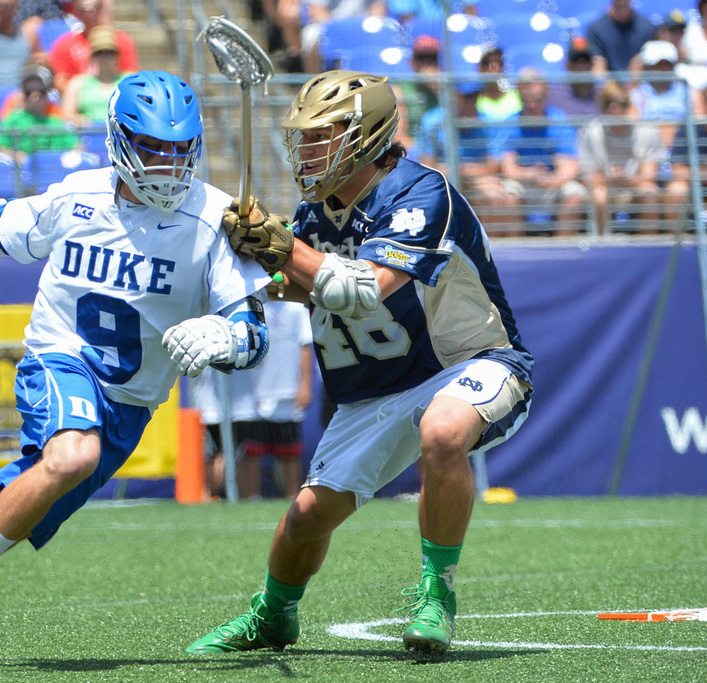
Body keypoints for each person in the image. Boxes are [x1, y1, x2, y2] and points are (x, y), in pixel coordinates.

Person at [0, 69, 273, 670]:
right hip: (60, 356)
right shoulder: (78, 195)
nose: (167, 166)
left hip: (129, 405)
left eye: (179, 152)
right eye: (151, 148)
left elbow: (254, 333)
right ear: (118, 139)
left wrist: (226, 334)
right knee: (73, 456)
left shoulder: (213, 219)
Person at [185, 70, 533, 658]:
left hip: (470, 362)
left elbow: (368, 286)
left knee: (444, 432)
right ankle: (272, 615)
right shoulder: (316, 213)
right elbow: (293, 285)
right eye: (306, 137)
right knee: (304, 519)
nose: (308, 150)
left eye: (322, 136)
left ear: (365, 135)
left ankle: (436, 594)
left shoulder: (423, 192)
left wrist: (282, 245)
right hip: (374, 392)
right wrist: (242, 276)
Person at [194, 297, 314, 500]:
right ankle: (244, 495)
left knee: (288, 449)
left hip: (275, 393)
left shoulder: (294, 308)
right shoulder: (242, 307)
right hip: (240, 396)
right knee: (245, 451)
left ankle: (293, 494)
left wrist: (305, 384)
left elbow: (304, 346)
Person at [416, 79, 517, 235]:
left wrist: (457, 171)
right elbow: (427, 166)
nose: (472, 101)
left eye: (476, 95)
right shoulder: (432, 121)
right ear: (452, 96)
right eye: (467, 96)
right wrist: (460, 173)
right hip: (444, 183)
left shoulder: (488, 122)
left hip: (478, 181)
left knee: (496, 196)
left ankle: (492, 252)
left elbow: (494, 166)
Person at [500, 69, 588, 236]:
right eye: (526, 99)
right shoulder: (510, 123)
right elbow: (508, 169)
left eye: (537, 99)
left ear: (545, 96)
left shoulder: (558, 120)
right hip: (524, 184)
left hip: (553, 183)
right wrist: (531, 175)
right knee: (508, 195)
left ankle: (563, 253)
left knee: (575, 195)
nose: (532, 105)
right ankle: (515, 252)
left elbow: (569, 168)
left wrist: (550, 180)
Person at [578, 80, 665, 234]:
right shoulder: (591, 132)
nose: (614, 108)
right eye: (608, 103)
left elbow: (649, 175)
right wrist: (611, 179)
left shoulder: (646, 131)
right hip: (604, 187)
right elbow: (589, 177)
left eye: (620, 103)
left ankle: (649, 246)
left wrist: (626, 180)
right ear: (601, 107)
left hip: (635, 186)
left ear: (628, 105)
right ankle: (601, 246)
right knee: (599, 195)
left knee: (650, 193)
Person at [47, 0, 138, 94]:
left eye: (96, 7)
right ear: (76, 11)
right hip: (80, 99)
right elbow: (60, 81)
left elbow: (131, 76)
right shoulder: (65, 44)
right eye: (85, 9)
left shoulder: (121, 41)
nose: (91, 13)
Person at [629, 40, 706, 149]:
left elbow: (699, 121)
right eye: (657, 65)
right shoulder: (638, 93)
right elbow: (633, 125)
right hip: (651, 150)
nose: (663, 69)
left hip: (684, 148)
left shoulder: (689, 91)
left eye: (667, 65)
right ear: (647, 67)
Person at [0, 63, 78, 159]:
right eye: (29, 90)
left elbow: (76, 148)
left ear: (47, 92)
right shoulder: (13, 120)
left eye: (40, 90)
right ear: (23, 93)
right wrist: (17, 156)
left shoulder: (55, 123)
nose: (35, 95)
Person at [59, 25, 128, 128]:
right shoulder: (78, 83)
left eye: (109, 52)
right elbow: (67, 114)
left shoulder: (128, 81)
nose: (105, 57)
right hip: (89, 136)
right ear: (92, 56)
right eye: (99, 53)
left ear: (117, 55)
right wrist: (82, 121)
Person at [584, 0, 656, 78]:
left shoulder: (647, 28)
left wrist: (632, 86)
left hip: (639, 85)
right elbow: (598, 64)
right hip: (608, 86)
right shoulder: (596, 29)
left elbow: (648, 65)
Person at [545, 36, 601, 120]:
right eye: (577, 63)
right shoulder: (553, 96)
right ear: (568, 66)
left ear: (592, 65)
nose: (582, 68)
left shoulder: (603, 94)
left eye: (586, 62)